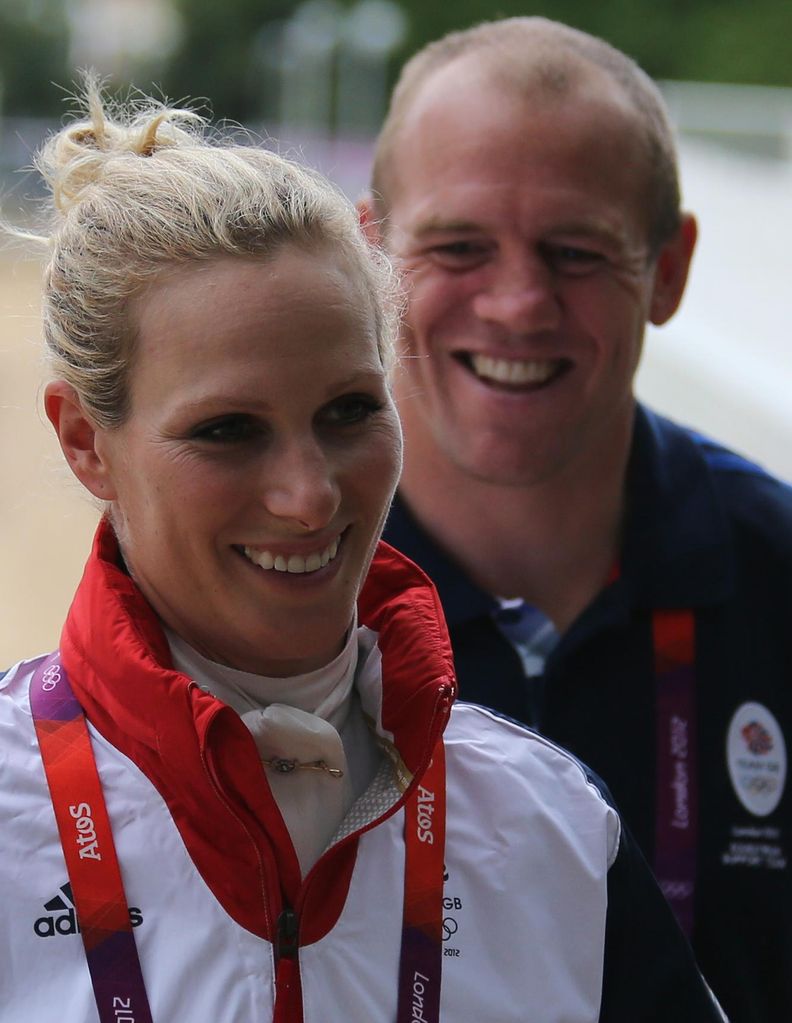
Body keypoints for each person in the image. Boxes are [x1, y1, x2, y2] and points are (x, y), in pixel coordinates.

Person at [0, 83, 728, 1023]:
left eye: (349, 411)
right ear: (86, 442)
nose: (309, 497)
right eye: (228, 431)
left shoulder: (554, 827)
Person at [360, 17, 792, 1023]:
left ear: (670, 271)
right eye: (459, 246)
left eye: (577, 252)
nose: (517, 304)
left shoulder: (775, 577)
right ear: (373, 257)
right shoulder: (265, 592)